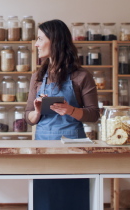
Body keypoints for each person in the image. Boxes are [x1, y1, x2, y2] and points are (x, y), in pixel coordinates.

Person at [25, 19, 100, 210]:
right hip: (43, 147)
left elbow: (94, 114)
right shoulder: (38, 77)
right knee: (44, 200)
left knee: (72, 200)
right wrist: (37, 112)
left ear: (55, 41)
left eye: (40, 39)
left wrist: (70, 110)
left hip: (74, 148)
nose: (36, 44)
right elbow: (29, 116)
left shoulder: (81, 76)